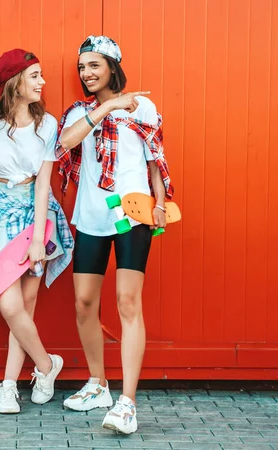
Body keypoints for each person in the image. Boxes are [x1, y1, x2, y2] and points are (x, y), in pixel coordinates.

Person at [56, 35, 173, 434]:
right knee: (84, 304)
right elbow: (64, 144)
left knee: (127, 302)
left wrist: (159, 201)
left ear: (112, 66)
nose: (87, 73)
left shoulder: (144, 107)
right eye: (82, 67)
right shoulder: (77, 112)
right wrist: (107, 106)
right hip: (90, 216)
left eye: (94, 65)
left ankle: (127, 402)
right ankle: (98, 384)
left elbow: (154, 158)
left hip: (132, 215)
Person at [0, 49, 74, 414]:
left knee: (25, 305)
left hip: (38, 214)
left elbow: (43, 185)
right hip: (2, 212)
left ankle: (8, 385)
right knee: (9, 304)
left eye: (42, 75)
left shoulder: (48, 124)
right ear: (15, 80)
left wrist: (39, 238)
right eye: (35, 75)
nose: (42, 82)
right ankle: (46, 365)